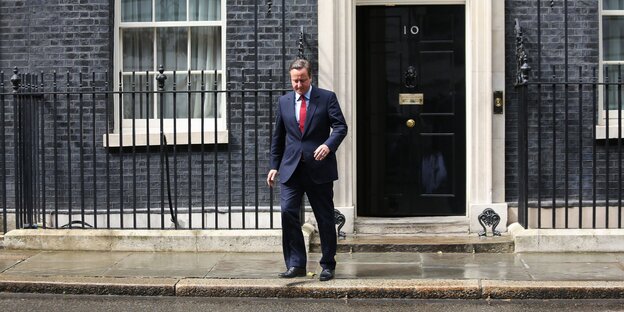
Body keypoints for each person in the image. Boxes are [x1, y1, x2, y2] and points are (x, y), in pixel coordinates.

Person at [267, 59, 348, 282]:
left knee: (324, 218)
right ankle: (296, 264)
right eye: (295, 81)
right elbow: (278, 137)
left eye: (302, 80)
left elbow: (341, 126)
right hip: (291, 169)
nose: (299, 85)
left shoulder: (326, 98)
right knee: (287, 213)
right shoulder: (284, 102)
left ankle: (328, 265)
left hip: (319, 168)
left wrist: (328, 145)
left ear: (310, 77)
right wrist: (274, 166)